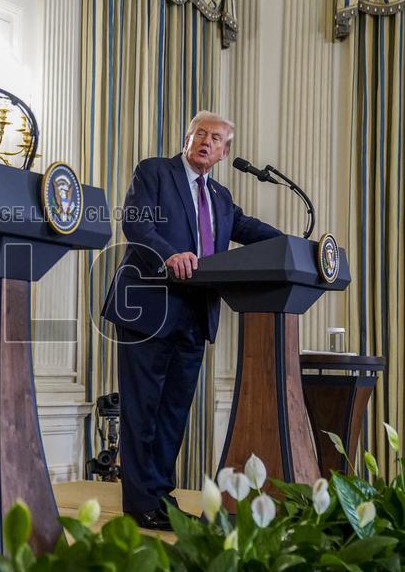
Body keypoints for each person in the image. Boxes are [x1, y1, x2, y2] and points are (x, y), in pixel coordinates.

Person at [101, 110, 281, 530]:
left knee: (172, 416)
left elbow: (249, 229)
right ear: (187, 139)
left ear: (224, 153)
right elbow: (136, 224)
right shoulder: (154, 172)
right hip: (148, 309)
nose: (206, 141)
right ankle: (140, 504)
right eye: (200, 133)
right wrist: (169, 255)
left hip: (195, 316)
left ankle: (161, 499)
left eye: (216, 138)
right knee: (142, 411)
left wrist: (297, 247)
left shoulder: (220, 197)